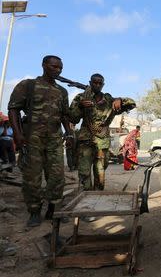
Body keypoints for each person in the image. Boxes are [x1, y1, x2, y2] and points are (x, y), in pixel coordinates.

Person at [8, 55, 73, 227]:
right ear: (44, 65)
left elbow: (64, 115)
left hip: (54, 140)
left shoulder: (62, 91)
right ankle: (34, 212)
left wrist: (69, 133)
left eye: (60, 68)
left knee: (57, 177)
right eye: (54, 66)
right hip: (32, 139)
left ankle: (53, 210)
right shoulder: (28, 85)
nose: (58, 70)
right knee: (32, 177)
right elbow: (13, 109)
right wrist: (18, 134)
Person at [69, 73, 135, 191]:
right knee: (84, 171)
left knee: (100, 172)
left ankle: (97, 195)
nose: (97, 85)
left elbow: (132, 103)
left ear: (103, 85)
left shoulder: (109, 100)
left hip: (102, 141)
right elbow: (73, 118)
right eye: (95, 82)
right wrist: (80, 106)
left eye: (100, 83)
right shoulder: (81, 97)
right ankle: (85, 195)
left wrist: (119, 99)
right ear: (90, 83)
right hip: (85, 141)